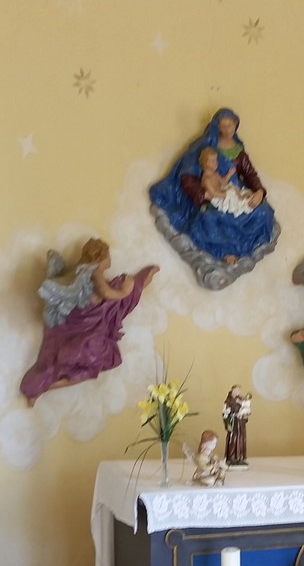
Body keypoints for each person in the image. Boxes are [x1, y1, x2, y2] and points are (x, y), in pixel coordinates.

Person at [20, 239, 159, 405]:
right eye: (108, 255)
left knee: (84, 368)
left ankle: (43, 387)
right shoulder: (93, 273)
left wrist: (138, 281)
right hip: (83, 335)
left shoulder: (83, 274)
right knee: (94, 363)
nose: (109, 258)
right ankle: (43, 387)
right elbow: (106, 293)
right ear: (101, 257)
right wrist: (125, 290)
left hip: (77, 331)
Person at [150, 107, 276, 263]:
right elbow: (187, 178)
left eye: (230, 125)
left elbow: (250, 174)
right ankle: (225, 251)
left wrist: (259, 192)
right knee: (211, 218)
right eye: (223, 126)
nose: (227, 130)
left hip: (232, 192)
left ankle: (248, 248)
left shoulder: (239, 152)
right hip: (212, 196)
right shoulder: (204, 148)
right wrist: (204, 195)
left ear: (236, 124)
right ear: (217, 126)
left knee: (263, 212)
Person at [198, 148, 253, 222]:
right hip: (218, 198)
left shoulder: (215, 174)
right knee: (233, 194)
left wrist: (229, 174)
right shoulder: (206, 180)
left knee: (232, 188)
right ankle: (241, 201)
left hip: (222, 191)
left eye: (216, 160)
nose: (216, 163)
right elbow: (214, 193)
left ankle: (241, 197)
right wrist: (228, 194)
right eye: (212, 161)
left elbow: (222, 182)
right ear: (205, 163)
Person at [222, 385, 252, 467]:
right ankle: (231, 458)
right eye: (236, 390)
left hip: (240, 423)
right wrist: (227, 423)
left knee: (241, 440)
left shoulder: (242, 399)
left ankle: (240, 457)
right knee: (233, 439)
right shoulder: (228, 401)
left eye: (238, 390)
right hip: (233, 422)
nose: (237, 392)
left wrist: (245, 416)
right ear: (232, 391)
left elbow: (246, 408)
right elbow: (225, 413)